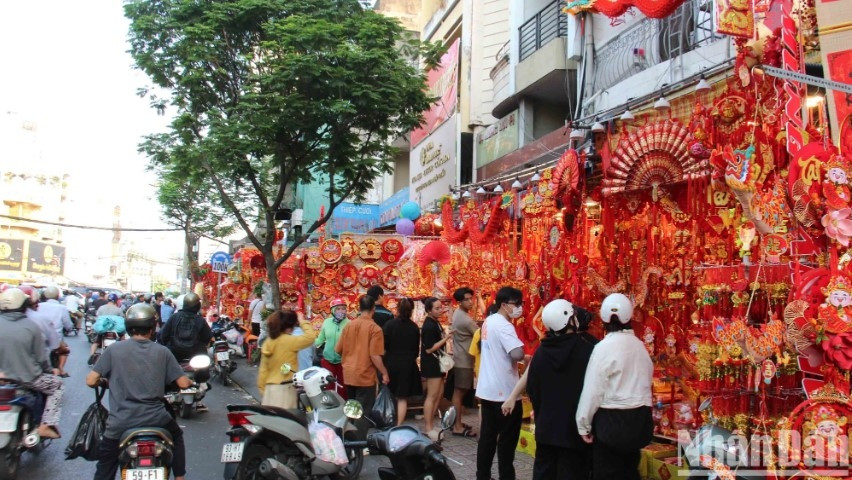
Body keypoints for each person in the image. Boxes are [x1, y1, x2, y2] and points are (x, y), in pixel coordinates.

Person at [86, 303, 191, 480]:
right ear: (152, 328)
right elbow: (182, 383)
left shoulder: (113, 350)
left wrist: (106, 382)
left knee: (105, 466)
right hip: (158, 419)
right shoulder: (162, 352)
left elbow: (90, 381)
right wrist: (188, 380)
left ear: (128, 327)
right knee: (177, 437)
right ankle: (179, 477)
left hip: (120, 422)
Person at [502, 299, 598, 480]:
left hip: (546, 429)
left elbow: (532, 384)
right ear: (569, 320)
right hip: (575, 430)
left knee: (544, 472)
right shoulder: (588, 347)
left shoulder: (543, 350)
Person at [576, 293, 654, 480]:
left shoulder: (603, 348)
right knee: (630, 468)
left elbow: (592, 391)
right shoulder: (640, 346)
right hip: (639, 419)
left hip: (612, 421)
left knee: (608, 471)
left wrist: (583, 425)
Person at [476, 287, 526, 480]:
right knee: (506, 442)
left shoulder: (489, 320)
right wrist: (522, 350)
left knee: (487, 438)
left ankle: (483, 475)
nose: (520, 308)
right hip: (505, 393)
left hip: (488, 390)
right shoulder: (504, 325)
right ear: (504, 305)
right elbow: (516, 353)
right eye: (517, 304)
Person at [0, 288, 64, 439]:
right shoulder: (32, 326)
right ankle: (46, 425)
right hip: (27, 378)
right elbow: (42, 357)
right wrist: (50, 370)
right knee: (57, 386)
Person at [335, 295, 389, 414]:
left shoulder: (349, 326)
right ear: (373, 309)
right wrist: (384, 373)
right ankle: (358, 432)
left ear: (359, 309)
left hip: (349, 374)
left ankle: (350, 432)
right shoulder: (375, 329)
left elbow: (338, 349)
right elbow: (374, 356)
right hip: (365, 376)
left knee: (352, 411)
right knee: (362, 413)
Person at [257, 310, 317, 408]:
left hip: (269, 390)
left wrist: (263, 392)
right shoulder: (289, 341)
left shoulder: (269, 342)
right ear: (288, 328)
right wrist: (302, 321)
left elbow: (263, 371)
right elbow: (310, 337)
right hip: (285, 390)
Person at [382, 298, 422, 426]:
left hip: (391, 363)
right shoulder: (414, 327)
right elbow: (416, 349)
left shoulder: (389, 325)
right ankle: (398, 425)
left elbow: (384, 346)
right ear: (411, 310)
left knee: (391, 394)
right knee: (402, 397)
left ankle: (388, 422)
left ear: (397, 309)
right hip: (408, 365)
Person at [420, 297, 454, 440]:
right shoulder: (428, 325)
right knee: (432, 396)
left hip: (438, 363)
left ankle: (431, 425)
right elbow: (429, 349)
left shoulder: (435, 322)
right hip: (431, 363)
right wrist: (446, 339)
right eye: (437, 308)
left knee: (438, 394)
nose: (440, 310)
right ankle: (428, 427)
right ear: (429, 310)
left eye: (441, 307)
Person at [451, 287, 478, 437]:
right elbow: (480, 335)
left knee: (459, 392)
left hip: (461, 358)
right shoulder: (465, 319)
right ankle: (457, 425)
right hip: (464, 360)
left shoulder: (459, 314)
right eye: (466, 299)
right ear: (460, 302)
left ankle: (457, 422)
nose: (470, 302)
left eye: (470, 298)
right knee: (459, 392)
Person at [315, 297, 350, 396]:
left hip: (343, 361)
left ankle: (343, 407)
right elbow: (320, 339)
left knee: (343, 387)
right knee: (328, 386)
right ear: (333, 310)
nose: (341, 311)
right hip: (328, 359)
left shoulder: (350, 324)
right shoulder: (327, 322)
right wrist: (308, 343)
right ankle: (330, 407)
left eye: (343, 308)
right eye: (338, 309)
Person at [38, 286, 74, 377]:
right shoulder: (62, 308)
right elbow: (68, 325)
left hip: (39, 338)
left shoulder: (38, 306)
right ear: (58, 296)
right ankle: (61, 368)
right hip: (56, 340)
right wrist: (69, 329)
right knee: (65, 350)